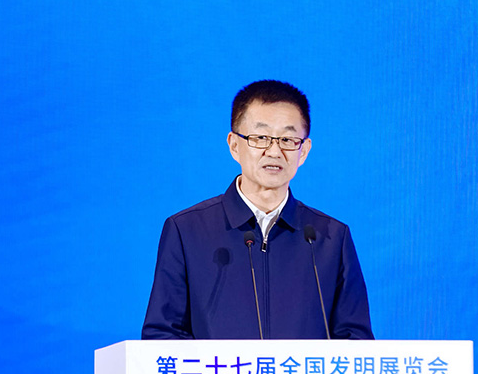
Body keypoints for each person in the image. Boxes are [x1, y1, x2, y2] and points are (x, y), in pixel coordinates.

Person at [142, 80, 373, 340]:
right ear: (234, 145)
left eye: (287, 140)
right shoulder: (187, 230)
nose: (274, 151)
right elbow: (162, 335)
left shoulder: (331, 238)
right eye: (260, 138)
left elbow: (356, 342)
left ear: (304, 151)